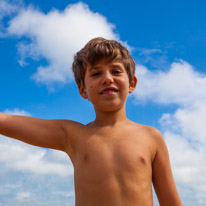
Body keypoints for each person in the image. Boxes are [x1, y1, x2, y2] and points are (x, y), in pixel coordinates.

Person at [0, 37, 182, 206]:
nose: (107, 78)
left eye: (116, 71)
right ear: (83, 90)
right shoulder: (73, 135)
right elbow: (6, 122)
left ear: (132, 83)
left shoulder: (151, 137)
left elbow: (171, 202)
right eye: (96, 74)